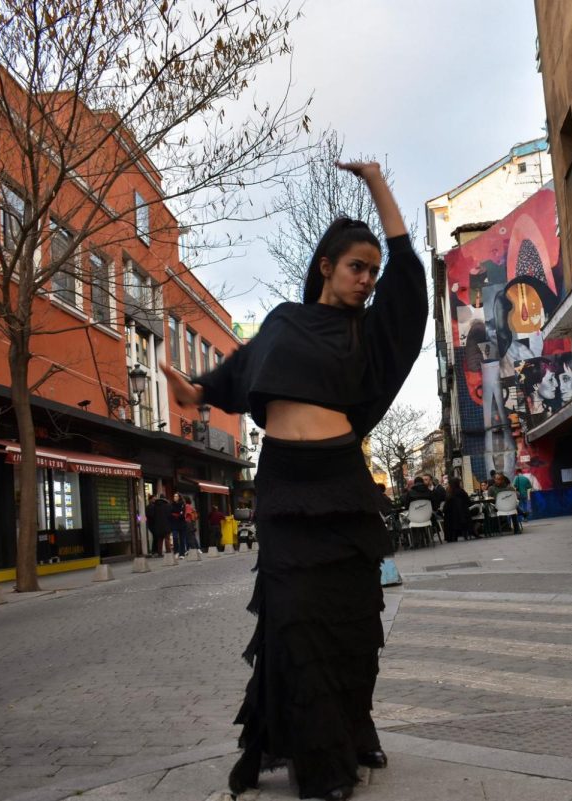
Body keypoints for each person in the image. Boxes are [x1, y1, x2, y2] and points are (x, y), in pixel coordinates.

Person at [162, 161, 426, 801]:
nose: (365, 279)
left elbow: (409, 277)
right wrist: (192, 390)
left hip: (341, 482)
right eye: (354, 267)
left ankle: (355, 726)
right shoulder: (281, 320)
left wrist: (378, 187)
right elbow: (228, 377)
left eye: (370, 270)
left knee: (354, 621)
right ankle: (322, 761)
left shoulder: (370, 330)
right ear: (326, 266)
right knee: (295, 622)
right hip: (284, 485)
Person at [442, 478, 473, 542]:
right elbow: (469, 502)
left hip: (451, 519)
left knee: (447, 515)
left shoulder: (449, 494)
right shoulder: (462, 492)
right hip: (463, 516)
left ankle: (451, 536)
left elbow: (445, 508)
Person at [170, 493, 188, 557]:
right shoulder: (171, 504)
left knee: (182, 539)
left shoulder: (182, 504)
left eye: (176, 496)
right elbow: (170, 513)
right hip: (174, 524)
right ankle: (176, 551)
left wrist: (175, 514)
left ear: (179, 497)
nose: (175, 497)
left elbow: (182, 515)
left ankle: (182, 553)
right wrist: (177, 514)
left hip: (182, 524)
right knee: (175, 537)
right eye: (174, 496)